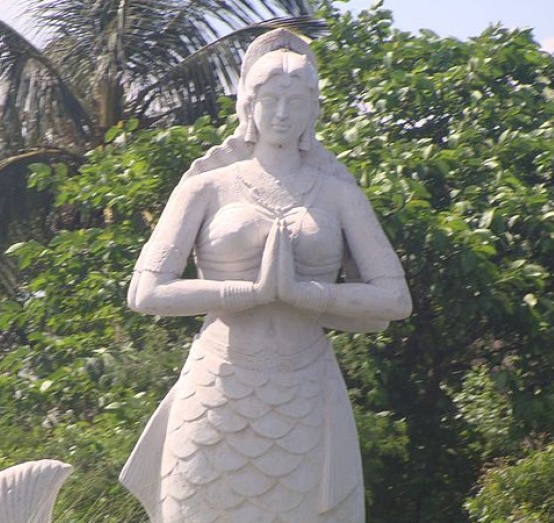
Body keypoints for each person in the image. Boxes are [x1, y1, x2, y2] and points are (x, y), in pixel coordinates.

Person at [119, 29, 411, 523]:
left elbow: (394, 299)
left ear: (313, 110)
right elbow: (146, 291)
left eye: (295, 102)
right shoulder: (206, 187)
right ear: (248, 106)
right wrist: (246, 293)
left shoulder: (340, 194)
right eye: (270, 100)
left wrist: (306, 295)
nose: (281, 114)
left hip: (307, 390)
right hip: (219, 385)